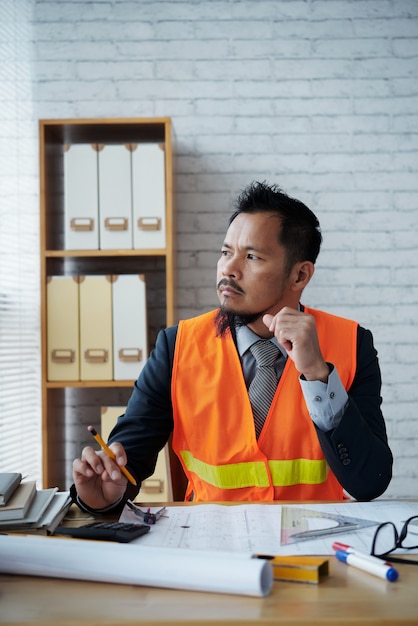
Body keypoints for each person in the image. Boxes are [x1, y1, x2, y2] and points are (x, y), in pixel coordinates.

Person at [72, 181, 393, 512]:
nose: (228, 268)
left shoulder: (352, 344)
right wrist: (104, 497)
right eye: (226, 252)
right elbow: (128, 461)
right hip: (210, 548)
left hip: (312, 544)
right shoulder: (176, 347)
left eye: (252, 256)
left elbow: (369, 482)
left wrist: (318, 374)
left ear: (299, 276)